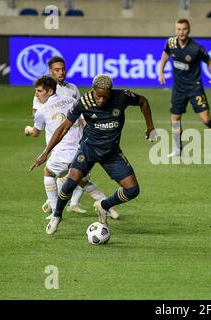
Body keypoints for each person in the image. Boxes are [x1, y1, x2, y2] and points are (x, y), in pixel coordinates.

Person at [30, 74, 156, 235]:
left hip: (111, 152)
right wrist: (45, 153)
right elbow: (63, 127)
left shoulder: (121, 96)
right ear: (93, 90)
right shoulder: (83, 102)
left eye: (105, 96)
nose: (101, 100)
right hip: (88, 149)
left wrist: (150, 126)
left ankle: (103, 205)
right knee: (70, 183)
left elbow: (143, 101)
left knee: (133, 190)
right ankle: (56, 216)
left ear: (110, 92)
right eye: (98, 95)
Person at [25, 76, 119, 221]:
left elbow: (36, 133)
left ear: (50, 91)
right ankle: (109, 208)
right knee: (82, 182)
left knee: (48, 173)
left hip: (62, 153)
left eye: (39, 91)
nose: (36, 94)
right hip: (82, 150)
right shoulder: (72, 100)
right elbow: (84, 122)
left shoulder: (42, 110)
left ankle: (55, 212)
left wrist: (28, 130)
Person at [158, 18, 211, 158]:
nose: (181, 32)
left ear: (189, 30)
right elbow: (165, 54)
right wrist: (161, 72)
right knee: (175, 119)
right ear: (175, 30)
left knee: (206, 119)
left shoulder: (196, 48)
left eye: (184, 29)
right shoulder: (171, 42)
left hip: (194, 88)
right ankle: (178, 149)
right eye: (179, 29)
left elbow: (210, 62)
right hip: (178, 89)